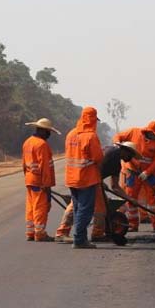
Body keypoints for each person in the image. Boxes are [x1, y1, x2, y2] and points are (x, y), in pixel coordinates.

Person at [55, 141, 140, 242]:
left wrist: (129, 199)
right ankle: (97, 234)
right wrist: (99, 180)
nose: (131, 158)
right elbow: (96, 165)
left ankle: (62, 232)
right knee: (100, 209)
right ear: (126, 151)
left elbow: (115, 186)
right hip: (89, 179)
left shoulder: (114, 156)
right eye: (131, 155)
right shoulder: (112, 154)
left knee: (76, 204)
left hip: (84, 178)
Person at [113, 120, 155, 232]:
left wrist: (147, 173)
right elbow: (117, 137)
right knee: (131, 197)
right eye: (152, 134)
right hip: (132, 172)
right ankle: (133, 224)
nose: (153, 136)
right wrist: (117, 146)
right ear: (147, 131)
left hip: (148, 174)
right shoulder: (134, 132)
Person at [64, 106, 104, 249]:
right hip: (86, 178)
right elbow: (98, 157)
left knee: (77, 208)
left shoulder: (71, 134)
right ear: (93, 119)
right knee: (85, 210)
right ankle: (79, 239)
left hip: (72, 178)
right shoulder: (91, 136)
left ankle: (79, 237)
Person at [22, 118, 60, 242]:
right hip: (39, 181)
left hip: (29, 179)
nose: (49, 134)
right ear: (43, 131)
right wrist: (46, 185)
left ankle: (30, 232)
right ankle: (40, 233)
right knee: (40, 207)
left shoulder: (27, 142)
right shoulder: (42, 145)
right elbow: (45, 166)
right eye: (48, 131)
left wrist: (27, 177)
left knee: (31, 207)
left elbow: (24, 163)